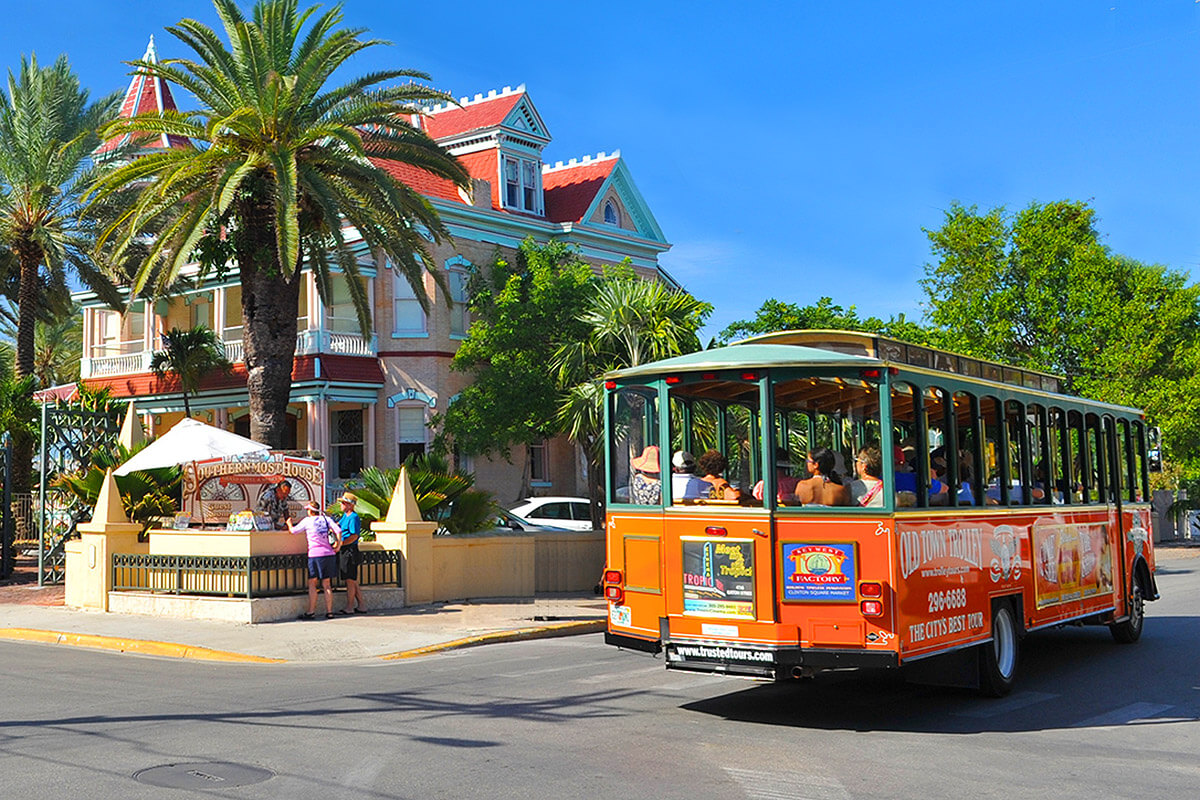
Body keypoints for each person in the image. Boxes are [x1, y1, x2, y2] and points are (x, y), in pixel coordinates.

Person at [288, 501, 341, 619]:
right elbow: (338, 530)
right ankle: (330, 611)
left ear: (310, 511)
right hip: (328, 554)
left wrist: (289, 524)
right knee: (327, 584)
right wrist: (338, 545)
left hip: (315, 555)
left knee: (312, 583)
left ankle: (311, 611)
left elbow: (294, 531)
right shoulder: (326, 519)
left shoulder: (307, 521)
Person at [336, 492, 366, 614]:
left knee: (350, 580)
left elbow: (354, 535)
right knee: (352, 579)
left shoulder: (353, 517)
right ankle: (361, 605)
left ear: (349, 505)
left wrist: (342, 543)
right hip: (345, 550)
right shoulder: (345, 516)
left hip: (350, 551)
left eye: (343, 503)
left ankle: (349, 607)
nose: (341, 505)